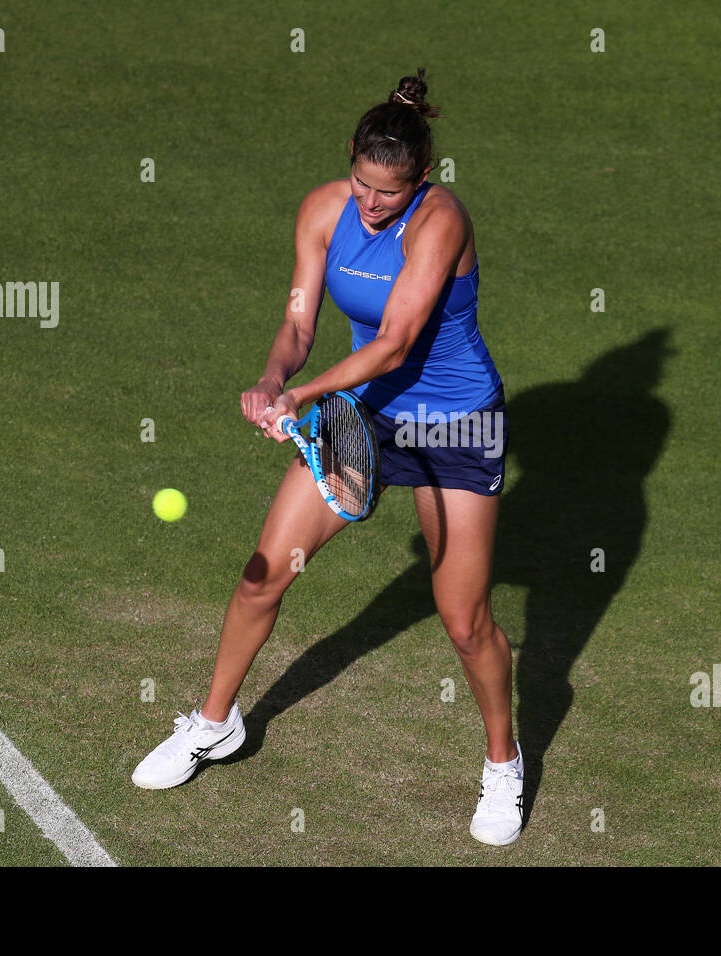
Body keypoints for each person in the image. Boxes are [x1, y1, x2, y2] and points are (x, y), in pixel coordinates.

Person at [132, 69, 522, 846]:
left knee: (464, 620)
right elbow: (300, 320)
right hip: (365, 416)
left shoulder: (440, 221)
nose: (374, 205)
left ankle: (502, 765)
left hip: (451, 425)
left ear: (424, 179)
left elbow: (395, 343)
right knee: (262, 573)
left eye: (393, 192)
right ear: (349, 160)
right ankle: (215, 723)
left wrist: (303, 396)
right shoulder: (322, 209)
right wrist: (274, 377)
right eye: (363, 186)